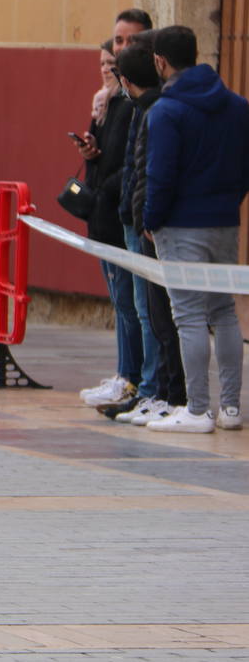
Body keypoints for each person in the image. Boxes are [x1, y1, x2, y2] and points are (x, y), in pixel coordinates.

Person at [143, 25, 249, 433]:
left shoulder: (166, 111)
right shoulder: (237, 106)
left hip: (180, 225)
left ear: (160, 61)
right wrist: (228, 202)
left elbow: (160, 175)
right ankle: (232, 409)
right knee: (223, 312)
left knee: (188, 315)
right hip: (224, 221)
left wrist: (152, 220)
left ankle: (198, 409)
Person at [120, 37, 188, 427]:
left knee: (160, 315)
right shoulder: (153, 110)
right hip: (151, 220)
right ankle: (161, 390)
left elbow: (149, 172)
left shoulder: (155, 113)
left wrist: (146, 218)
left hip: (152, 226)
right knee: (158, 314)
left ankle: (166, 393)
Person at [76, 31, 142, 409]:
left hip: (117, 216)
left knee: (130, 304)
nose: (105, 70)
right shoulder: (103, 105)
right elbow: (104, 160)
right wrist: (90, 152)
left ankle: (132, 378)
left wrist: (104, 190)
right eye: (101, 64)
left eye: (111, 65)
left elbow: (128, 165)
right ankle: (124, 373)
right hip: (101, 214)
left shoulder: (130, 107)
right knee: (121, 302)